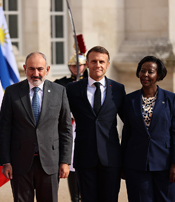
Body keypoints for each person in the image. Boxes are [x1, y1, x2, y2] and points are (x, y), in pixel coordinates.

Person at [0, 51, 73, 202]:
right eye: (31, 69)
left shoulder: (59, 91)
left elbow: (65, 129)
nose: (36, 73)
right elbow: (5, 129)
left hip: (50, 163)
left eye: (40, 69)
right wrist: (6, 162)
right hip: (20, 163)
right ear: (25, 69)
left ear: (48, 69)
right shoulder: (12, 92)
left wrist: (65, 161)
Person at [66, 46, 126, 202]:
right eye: (93, 61)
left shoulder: (118, 89)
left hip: (111, 158)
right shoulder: (72, 90)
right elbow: (62, 121)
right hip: (84, 157)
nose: (97, 65)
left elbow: (129, 122)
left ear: (107, 64)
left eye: (101, 62)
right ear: (87, 64)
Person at [121, 56, 175, 202]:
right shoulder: (129, 100)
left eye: (151, 71)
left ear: (159, 75)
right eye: (142, 71)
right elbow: (127, 133)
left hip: (166, 164)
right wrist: (123, 164)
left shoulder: (172, 99)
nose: (145, 75)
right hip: (137, 164)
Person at [55, 53, 88, 202]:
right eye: (74, 66)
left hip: (87, 129)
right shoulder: (61, 83)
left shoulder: (90, 82)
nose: (77, 68)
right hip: (70, 127)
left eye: (80, 65)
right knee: (72, 163)